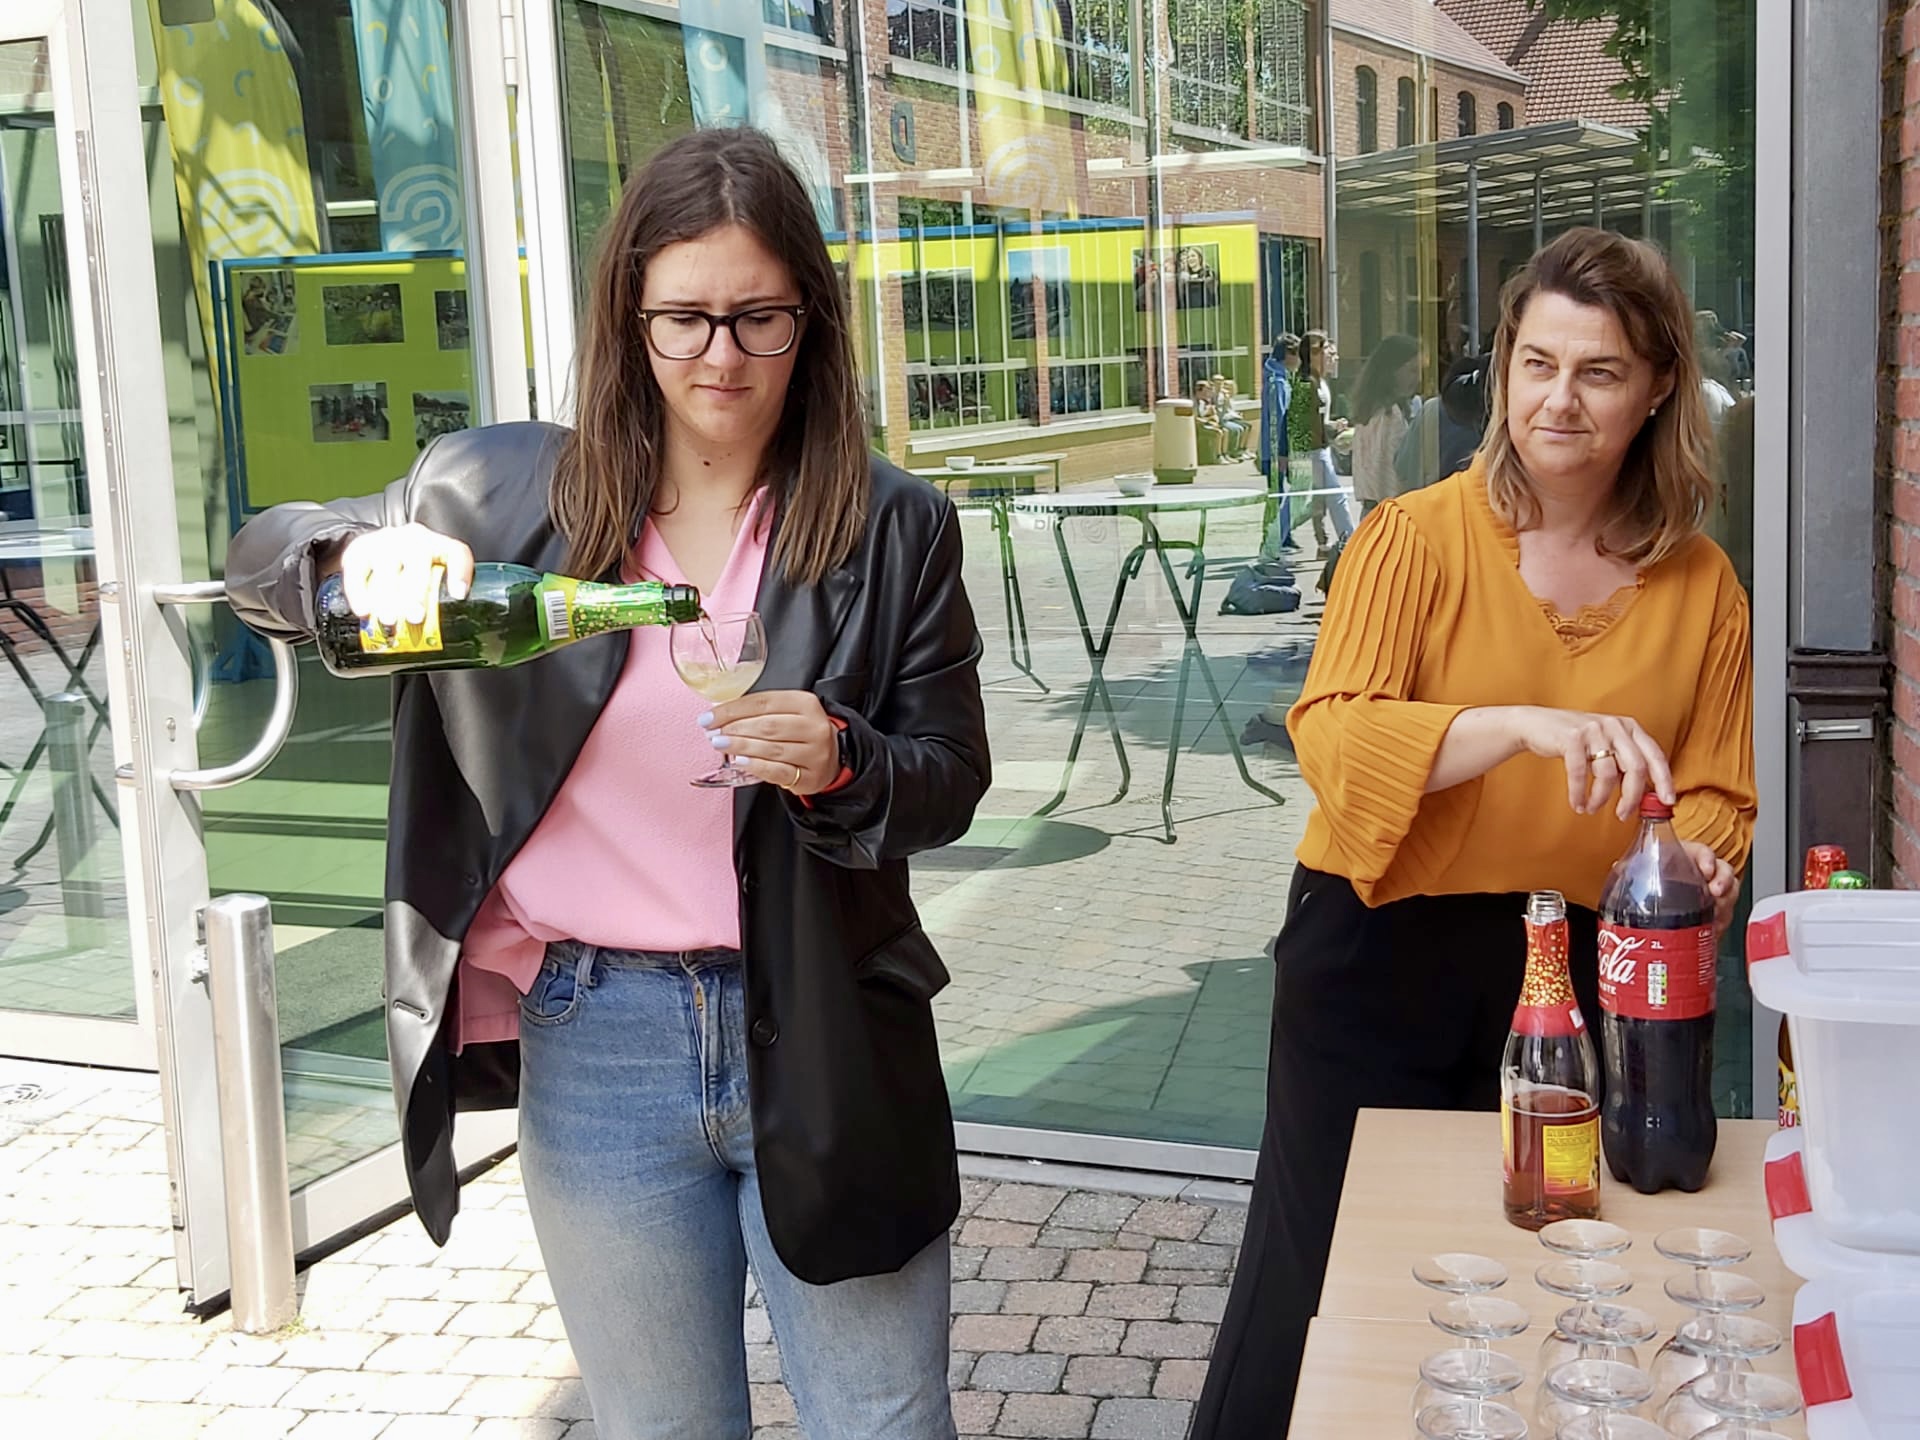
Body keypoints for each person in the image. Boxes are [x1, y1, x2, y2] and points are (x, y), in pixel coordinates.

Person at [225, 127, 988, 1440]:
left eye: (759, 317)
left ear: (811, 318)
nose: (721, 357)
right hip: (600, 1040)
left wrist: (845, 760)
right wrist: (341, 563)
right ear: (628, 320)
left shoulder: (889, 522)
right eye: (683, 319)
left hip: (830, 1027)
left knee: (885, 1421)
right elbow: (261, 557)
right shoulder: (498, 495)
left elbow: (952, 777)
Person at [1190, 227, 1756, 1439]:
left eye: (1599, 371)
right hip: (1378, 955)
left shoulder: (1703, 585)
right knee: (1321, 1284)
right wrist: (1517, 726)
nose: (1560, 399)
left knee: (1552, 1282)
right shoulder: (1413, 536)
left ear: (1658, 388)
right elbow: (1336, 739)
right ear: (1503, 371)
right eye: (1536, 363)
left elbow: (1715, 793)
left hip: (1580, 976)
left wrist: (1701, 863)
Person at [1286, 330, 1355, 550]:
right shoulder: (1305, 383)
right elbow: (1302, 422)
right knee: (1333, 497)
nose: (1328, 354)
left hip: (1316, 449)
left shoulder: (1317, 382)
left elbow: (1316, 419)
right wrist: (1331, 433)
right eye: (1323, 350)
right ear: (1312, 355)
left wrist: (1331, 428)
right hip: (1310, 450)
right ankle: (1350, 541)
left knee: (1305, 501)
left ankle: (1273, 543)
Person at [1348, 334, 1421, 515]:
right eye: (1412, 370)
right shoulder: (1390, 415)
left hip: (1371, 510)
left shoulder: (1370, 408)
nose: (1418, 378)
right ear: (1392, 371)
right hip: (1390, 512)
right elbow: (1392, 476)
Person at [1258, 333, 1300, 557]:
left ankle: (1284, 535)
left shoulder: (1279, 378)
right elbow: (1279, 420)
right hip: (1275, 451)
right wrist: (1283, 451)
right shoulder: (1277, 383)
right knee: (1277, 495)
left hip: (1274, 450)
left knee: (1280, 494)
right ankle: (1273, 537)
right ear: (1288, 355)